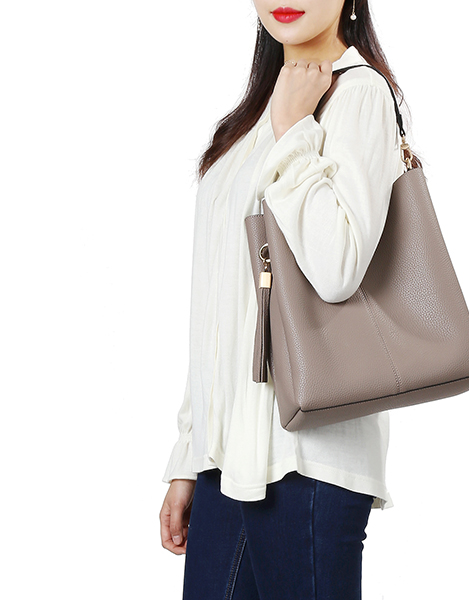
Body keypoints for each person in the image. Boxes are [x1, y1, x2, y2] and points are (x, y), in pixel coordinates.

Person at [159, 1, 422, 598]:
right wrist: (188, 454)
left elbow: (337, 269)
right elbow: (219, 306)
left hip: (309, 458)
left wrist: (295, 130)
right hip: (226, 460)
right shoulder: (252, 119)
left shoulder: (358, 95)